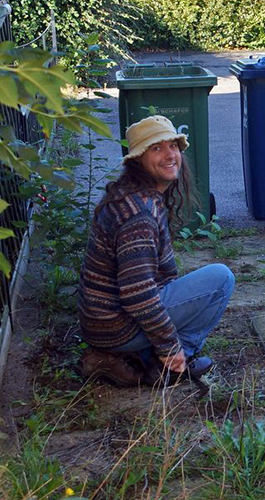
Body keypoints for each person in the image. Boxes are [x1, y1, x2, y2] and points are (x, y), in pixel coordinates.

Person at [77, 115, 235, 387]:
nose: (169, 155)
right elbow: (138, 293)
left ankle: (122, 357)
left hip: (102, 323)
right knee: (221, 279)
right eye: (156, 148)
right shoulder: (138, 214)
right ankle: (171, 363)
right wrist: (169, 345)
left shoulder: (132, 195)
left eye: (172, 146)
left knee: (184, 282)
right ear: (138, 159)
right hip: (116, 327)